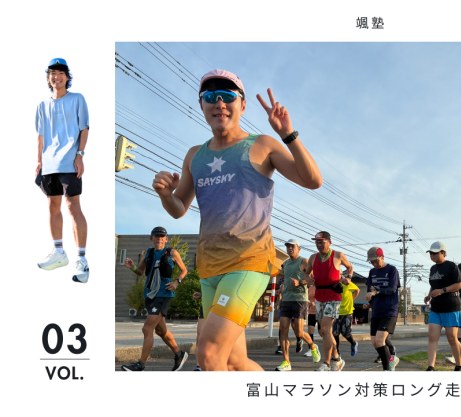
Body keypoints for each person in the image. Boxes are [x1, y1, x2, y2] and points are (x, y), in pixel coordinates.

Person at [152, 69, 322, 371]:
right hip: (209, 268)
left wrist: (288, 135)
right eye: (210, 96)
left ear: (242, 105)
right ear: (202, 105)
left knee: (208, 353)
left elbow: (313, 180)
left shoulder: (262, 145)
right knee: (233, 361)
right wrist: (166, 194)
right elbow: (179, 208)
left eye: (228, 96)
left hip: (249, 261)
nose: (219, 103)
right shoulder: (194, 155)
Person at [35, 58, 90, 283]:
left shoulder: (77, 99)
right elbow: (40, 136)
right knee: (52, 206)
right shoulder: (42, 105)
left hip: (69, 161)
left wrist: (80, 155)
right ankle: (59, 252)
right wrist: (39, 161)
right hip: (49, 164)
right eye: (52, 73)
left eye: (60, 73)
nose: (56, 77)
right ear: (48, 78)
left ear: (67, 77)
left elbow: (84, 129)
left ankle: (82, 260)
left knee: (73, 206)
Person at [121, 227, 188, 371]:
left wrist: (177, 282)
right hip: (149, 294)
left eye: (162, 236)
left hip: (164, 294)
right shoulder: (148, 253)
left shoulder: (172, 253)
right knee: (161, 331)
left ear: (166, 239)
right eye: (156, 236)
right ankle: (179, 354)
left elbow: (184, 270)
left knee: (147, 328)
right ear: (151, 238)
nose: (159, 239)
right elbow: (140, 272)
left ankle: (141, 364)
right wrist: (132, 267)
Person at [303, 231, 353, 371]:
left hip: (333, 296)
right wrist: (308, 279)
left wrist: (348, 278)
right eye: (317, 242)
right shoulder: (313, 258)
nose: (319, 245)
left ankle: (326, 363)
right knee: (324, 332)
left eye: (322, 242)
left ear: (329, 242)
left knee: (325, 328)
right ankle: (337, 359)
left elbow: (349, 267)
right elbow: (306, 273)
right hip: (319, 296)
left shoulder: (338, 255)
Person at [275, 239, 321, 371]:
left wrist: (300, 282)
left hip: (300, 300)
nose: (290, 248)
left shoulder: (304, 261)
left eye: (292, 246)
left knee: (299, 332)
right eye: (288, 246)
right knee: (283, 329)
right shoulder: (286, 263)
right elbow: (286, 280)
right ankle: (286, 362)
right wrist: (281, 290)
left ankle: (313, 346)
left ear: (298, 248)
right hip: (286, 299)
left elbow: (312, 279)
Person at [423, 241, 461, 371]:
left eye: (435, 253)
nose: (432, 255)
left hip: (451, 305)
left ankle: (459, 366)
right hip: (436, 307)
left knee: (452, 337)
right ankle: (431, 367)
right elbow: (434, 284)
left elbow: (460, 284)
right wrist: (429, 295)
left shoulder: (452, 266)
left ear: (444, 253)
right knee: (432, 337)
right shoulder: (433, 268)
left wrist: (442, 290)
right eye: (431, 253)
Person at [365, 247, 401, 371]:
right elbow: (370, 289)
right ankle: (391, 358)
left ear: (382, 257)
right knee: (374, 342)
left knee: (380, 340)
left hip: (389, 310)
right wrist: (369, 302)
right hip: (376, 310)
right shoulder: (372, 272)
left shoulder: (392, 270)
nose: (374, 263)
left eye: (376, 260)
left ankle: (386, 369)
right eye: (371, 262)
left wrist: (377, 291)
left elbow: (393, 289)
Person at [333, 273, 360, 357]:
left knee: (346, 334)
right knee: (335, 333)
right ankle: (337, 353)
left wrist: (352, 299)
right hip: (336, 312)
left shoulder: (347, 282)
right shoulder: (333, 284)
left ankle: (353, 343)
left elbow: (357, 290)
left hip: (347, 312)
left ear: (340, 274)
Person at [303, 284, 321, 359]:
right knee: (310, 330)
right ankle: (311, 349)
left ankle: (333, 349)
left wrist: (315, 304)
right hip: (311, 312)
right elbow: (307, 298)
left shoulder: (321, 287)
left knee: (322, 332)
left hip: (320, 312)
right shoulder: (310, 288)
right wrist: (308, 302)